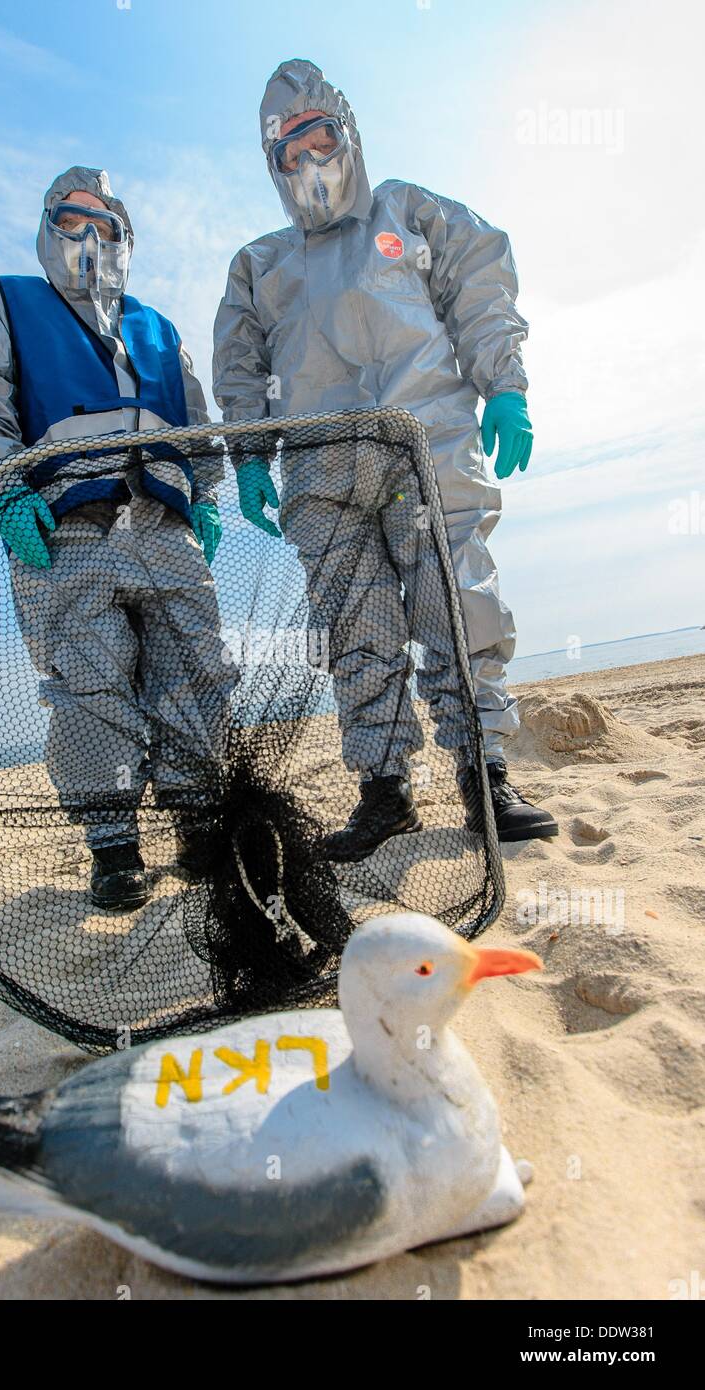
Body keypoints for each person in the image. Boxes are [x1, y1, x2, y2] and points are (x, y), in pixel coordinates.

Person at [213, 59, 558, 861]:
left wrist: (502, 385)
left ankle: (483, 773)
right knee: (356, 628)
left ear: (347, 134)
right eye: (286, 152)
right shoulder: (258, 265)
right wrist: (251, 454)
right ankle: (383, 790)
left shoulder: (410, 211)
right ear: (272, 166)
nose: (306, 162)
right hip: (321, 465)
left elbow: (479, 288)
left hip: (423, 441)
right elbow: (238, 366)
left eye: (317, 138)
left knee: (453, 599)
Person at [0, 166, 234, 911]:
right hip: (67, 528)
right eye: (71, 221)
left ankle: (201, 824)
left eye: (103, 223)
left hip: (165, 525)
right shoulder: (8, 301)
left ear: (124, 236)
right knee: (89, 683)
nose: (88, 236)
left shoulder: (156, 326)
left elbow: (194, 422)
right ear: (48, 226)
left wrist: (204, 492)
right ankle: (114, 848)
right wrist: (6, 486)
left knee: (195, 668)